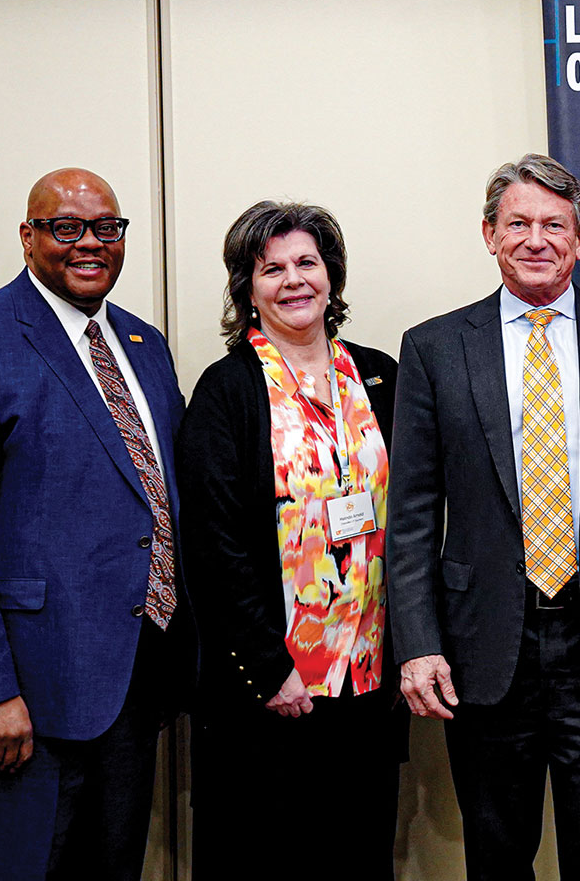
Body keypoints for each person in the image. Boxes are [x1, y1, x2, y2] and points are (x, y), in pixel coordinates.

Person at [386, 154, 580, 881]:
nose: (537, 239)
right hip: (484, 648)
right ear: (490, 235)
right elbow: (408, 516)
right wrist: (418, 643)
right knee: (498, 856)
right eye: (518, 223)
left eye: (554, 225)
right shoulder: (435, 349)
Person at [0, 168, 193, 880]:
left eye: (106, 228)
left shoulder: (142, 345)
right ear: (28, 237)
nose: (90, 243)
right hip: (18, 702)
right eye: (66, 227)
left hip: (128, 684)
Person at [177, 201, 406, 876]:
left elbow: (416, 519)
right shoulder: (227, 391)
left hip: (368, 681)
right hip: (271, 691)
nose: (292, 280)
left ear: (331, 275)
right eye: (270, 268)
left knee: (360, 856)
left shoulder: (380, 376)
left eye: (306, 262)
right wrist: (267, 668)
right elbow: (214, 543)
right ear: (247, 289)